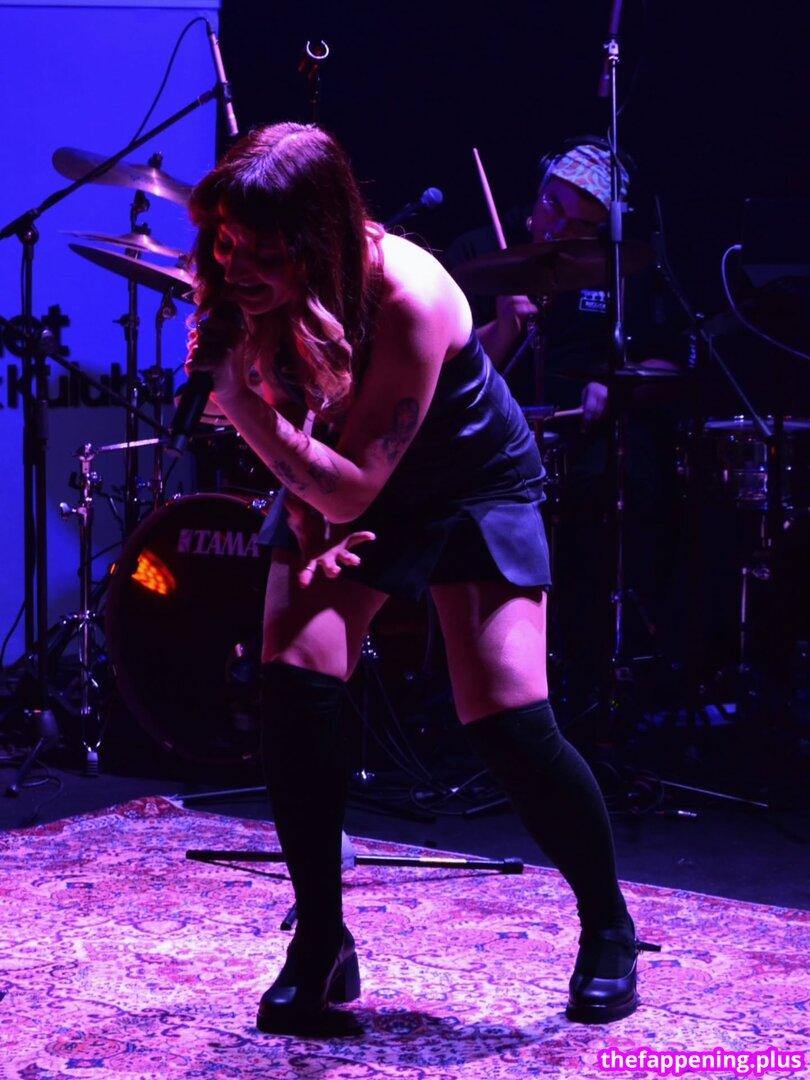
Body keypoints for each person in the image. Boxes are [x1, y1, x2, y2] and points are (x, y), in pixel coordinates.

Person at [186, 122, 657, 1035]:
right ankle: (321, 940)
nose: (238, 267)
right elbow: (307, 421)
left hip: (466, 481)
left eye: (264, 252)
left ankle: (609, 925)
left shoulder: (408, 295)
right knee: (294, 677)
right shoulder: (237, 269)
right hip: (343, 475)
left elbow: (354, 477)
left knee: (508, 721)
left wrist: (240, 405)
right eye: (229, 244)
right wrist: (312, 524)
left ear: (318, 239)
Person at [449, 139, 691, 702]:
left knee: (626, 478)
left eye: (580, 226)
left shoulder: (623, 270)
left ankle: (593, 660)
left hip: (589, 434)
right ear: (540, 188)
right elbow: (441, 372)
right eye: (553, 207)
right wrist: (502, 327)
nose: (557, 228)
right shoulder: (479, 250)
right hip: (492, 434)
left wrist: (618, 383)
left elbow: (671, 359)